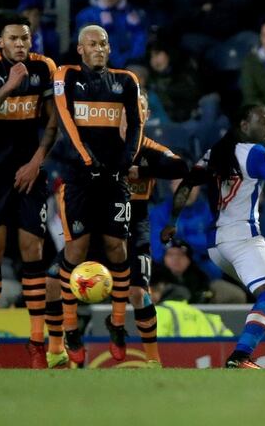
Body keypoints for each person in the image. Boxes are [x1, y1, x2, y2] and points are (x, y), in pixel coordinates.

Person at [161, 104, 265, 369]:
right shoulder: (258, 154)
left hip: (216, 247)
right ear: (244, 125)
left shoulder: (215, 152)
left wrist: (172, 221)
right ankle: (241, 354)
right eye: (263, 121)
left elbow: (186, 185)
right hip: (244, 239)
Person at [48, 89, 187, 368]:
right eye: (128, 108)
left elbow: (181, 167)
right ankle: (58, 346)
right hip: (98, 224)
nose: (134, 113)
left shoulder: (148, 148)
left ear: (146, 114)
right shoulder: (102, 142)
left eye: (141, 108)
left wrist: (142, 171)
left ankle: (151, 359)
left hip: (134, 225)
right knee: (52, 283)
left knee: (138, 293)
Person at [50, 25, 143, 366]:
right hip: (79, 178)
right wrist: (88, 160)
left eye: (103, 43)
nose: (99, 48)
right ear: (80, 49)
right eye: (92, 43)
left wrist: (125, 161)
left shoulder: (126, 81)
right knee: (76, 249)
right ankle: (70, 328)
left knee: (118, 248)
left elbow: (136, 125)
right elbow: (66, 121)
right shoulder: (66, 76)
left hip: (114, 177)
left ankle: (117, 323)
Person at [0, 15, 58, 368]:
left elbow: (54, 122)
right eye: (14, 39)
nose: (21, 44)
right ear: (0, 43)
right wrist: (9, 86)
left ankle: (36, 341)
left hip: (30, 171)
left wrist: (36, 161)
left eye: (25, 38)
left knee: (32, 250)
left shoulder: (45, 67)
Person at [74, 0, 148, 68]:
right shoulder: (86, 15)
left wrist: (130, 60)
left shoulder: (134, 13)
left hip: (131, 63)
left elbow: (141, 39)